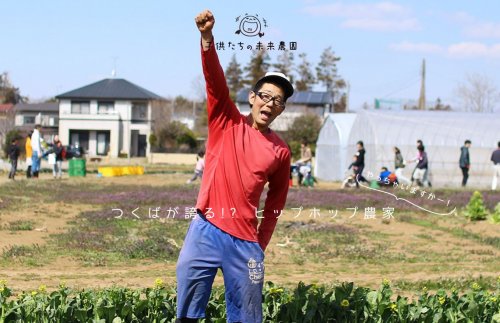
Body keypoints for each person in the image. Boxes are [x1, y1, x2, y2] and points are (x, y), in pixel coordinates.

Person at [176, 10, 292, 323]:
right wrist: (207, 39)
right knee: (187, 310)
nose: (270, 104)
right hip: (206, 229)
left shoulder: (280, 151)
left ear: (281, 109)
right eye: (265, 96)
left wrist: (261, 242)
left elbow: (277, 201)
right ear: (252, 98)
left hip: (245, 242)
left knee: (246, 318)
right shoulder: (225, 121)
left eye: (278, 101)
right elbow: (214, 82)